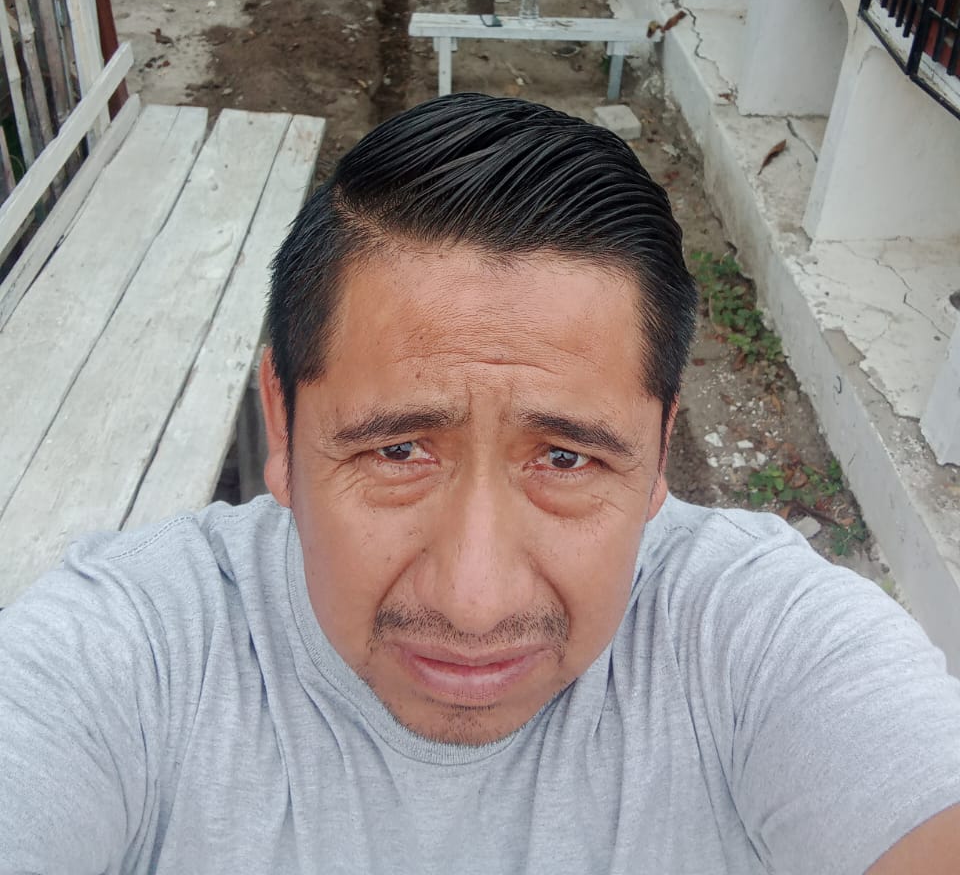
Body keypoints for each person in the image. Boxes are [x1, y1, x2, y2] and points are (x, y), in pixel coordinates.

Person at [1, 93, 959, 874]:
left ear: (661, 453)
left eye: (567, 459)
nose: (474, 600)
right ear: (282, 426)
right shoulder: (125, 657)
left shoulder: (764, 646)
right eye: (397, 451)